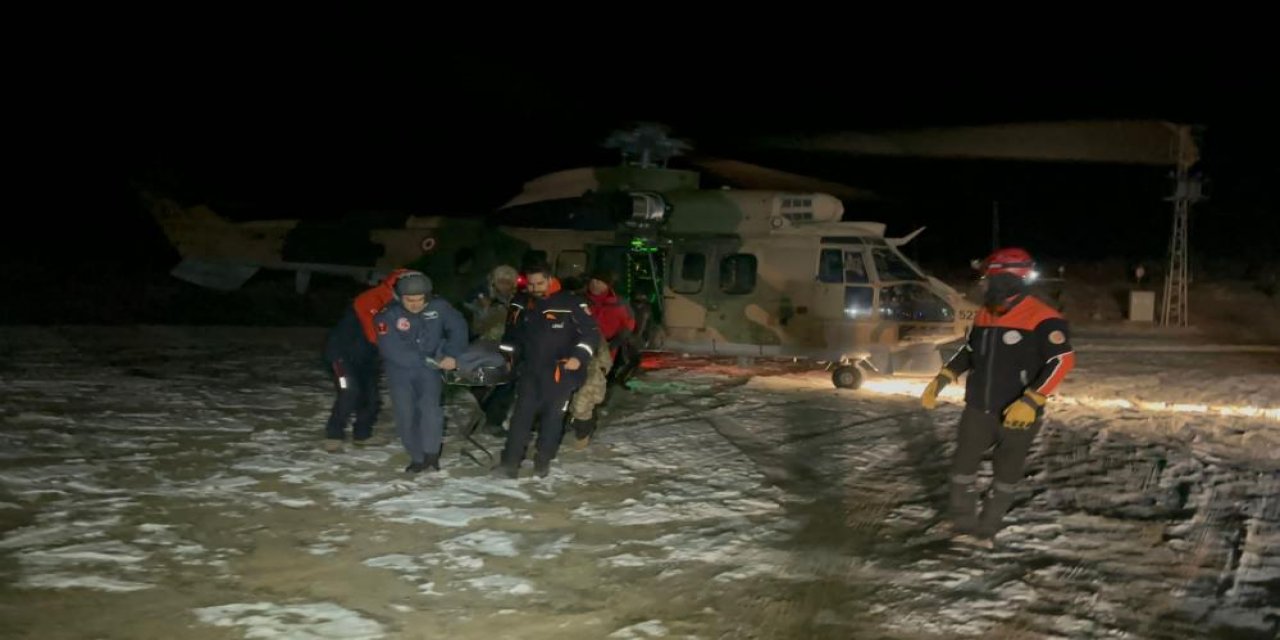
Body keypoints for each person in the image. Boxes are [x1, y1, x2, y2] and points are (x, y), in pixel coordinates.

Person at [921, 247, 1076, 545]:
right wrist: (945, 375)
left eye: (987, 278)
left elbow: (1062, 360)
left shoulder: (1044, 317)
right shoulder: (984, 314)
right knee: (962, 469)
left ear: (1006, 279)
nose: (983, 284)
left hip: (1018, 413)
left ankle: (986, 529)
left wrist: (1031, 400)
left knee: (1005, 473)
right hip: (978, 409)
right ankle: (963, 526)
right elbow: (969, 351)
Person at [493, 262, 600, 478]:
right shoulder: (522, 303)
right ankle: (510, 463)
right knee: (521, 417)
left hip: (560, 371)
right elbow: (511, 336)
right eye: (531, 284)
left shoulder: (571, 303)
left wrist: (578, 357)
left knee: (552, 418)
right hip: (530, 370)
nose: (535, 288)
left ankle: (542, 461)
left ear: (550, 279)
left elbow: (590, 334)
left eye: (540, 283)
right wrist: (508, 360)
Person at [374, 271, 468, 473]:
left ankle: (431, 455)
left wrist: (452, 354)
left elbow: (458, 328)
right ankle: (417, 457)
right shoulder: (387, 315)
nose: (415, 304)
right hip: (401, 371)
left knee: (431, 411)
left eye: (420, 300)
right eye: (410, 300)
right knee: (406, 415)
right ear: (400, 297)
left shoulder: (440, 307)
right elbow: (391, 349)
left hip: (429, 371)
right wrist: (428, 360)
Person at [320, 268, 412, 452]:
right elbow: (375, 333)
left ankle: (362, 435)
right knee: (349, 391)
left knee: (371, 397)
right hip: (341, 356)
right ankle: (334, 434)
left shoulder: (403, 305)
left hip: (367, 358)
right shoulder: (370, 299)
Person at [566, 269, 636, 448]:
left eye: (601, 282)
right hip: (575, 350)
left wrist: (615, 343)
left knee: (588, 390)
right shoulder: (579, 300)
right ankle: (570, 420)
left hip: (602, 354)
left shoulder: (619, 304)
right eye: (594, 281)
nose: (596, 285)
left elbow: (628, 325)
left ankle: (583, 429)